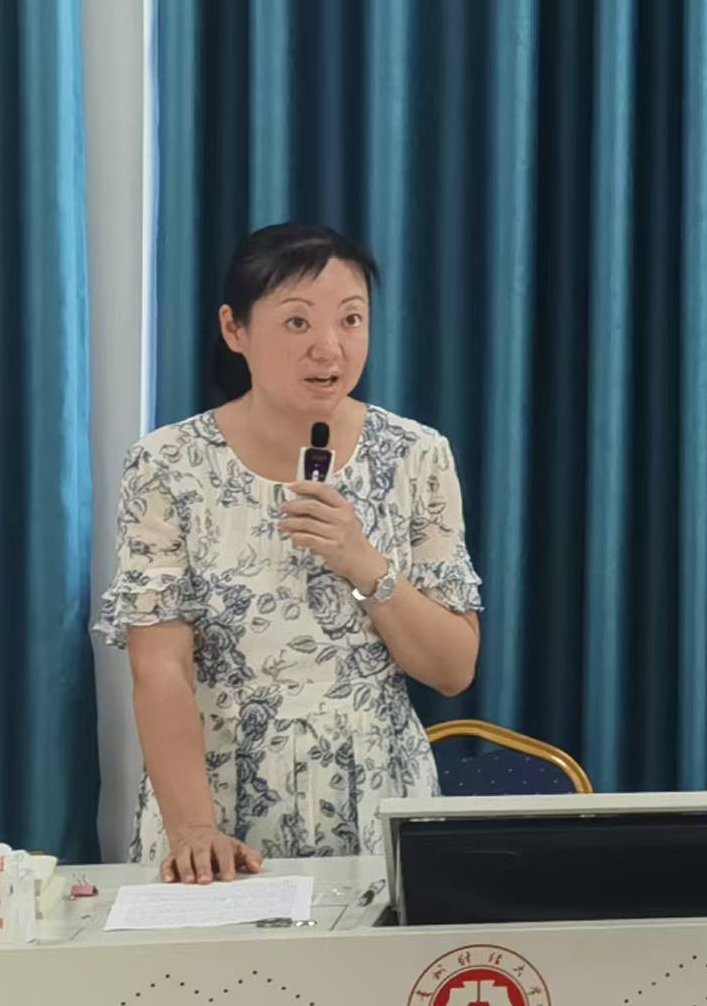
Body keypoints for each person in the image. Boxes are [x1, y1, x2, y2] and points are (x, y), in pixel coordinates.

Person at [101, 222, 485, 882]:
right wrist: (193, 828)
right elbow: (159, 667)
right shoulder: (167, 465)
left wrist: (363, 562)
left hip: (376, 795)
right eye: (297, 322)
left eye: (351, 319)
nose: (328, 347)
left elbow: (453, 669)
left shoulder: (416, 456)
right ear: (235, 329)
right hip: (215, 801)